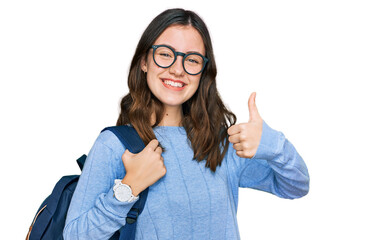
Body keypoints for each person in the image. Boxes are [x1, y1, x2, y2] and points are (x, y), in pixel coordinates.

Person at [63, 8, 309, 240]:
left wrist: (273, 144)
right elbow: (74, 235)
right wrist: (129, 187)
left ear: (203, 71)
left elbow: (296, 186)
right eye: (165, 55)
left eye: (191, 60)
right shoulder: (114, 146)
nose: (177, 69)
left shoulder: (219, 144)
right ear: (144, 62)